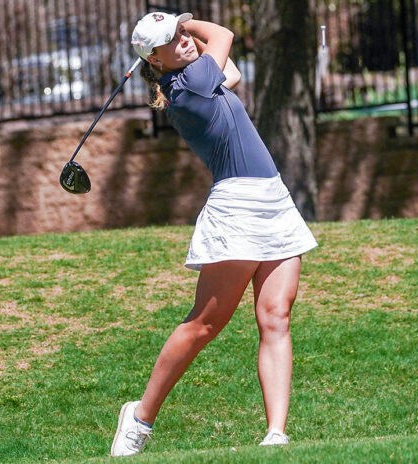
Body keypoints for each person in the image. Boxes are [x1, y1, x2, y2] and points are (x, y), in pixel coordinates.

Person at [110, 11, 318, 457]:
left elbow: (234, 71)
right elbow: (223, 35)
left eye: (184, 33)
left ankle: (276, 435)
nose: (184, 39)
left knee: (276, 316)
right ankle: (140, 416)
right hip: (238, 208)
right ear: (155, 59)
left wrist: (182, 34)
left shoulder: (195, 75)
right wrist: (194, 20)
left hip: (273, 199)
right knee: (205, 324)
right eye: (173, 39)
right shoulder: (185, 87)